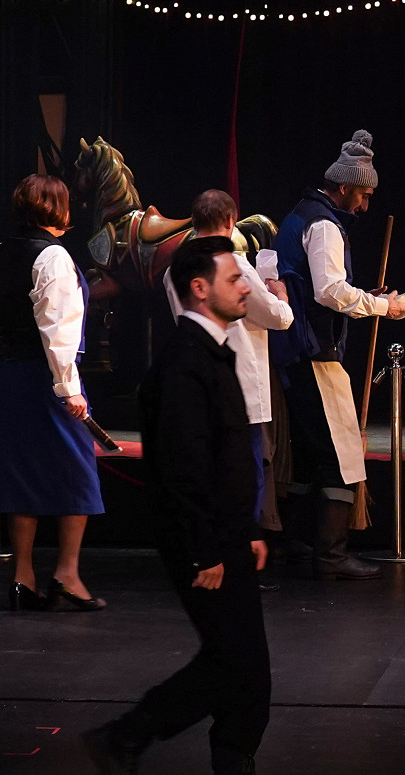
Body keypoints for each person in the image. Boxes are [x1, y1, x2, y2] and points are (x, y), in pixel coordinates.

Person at [84, 236, 270, 774]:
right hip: (203, 542)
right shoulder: (184, 362)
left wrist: (248, 528)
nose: (245, 287)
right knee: (233, 663)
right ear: (199, 288)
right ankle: (126, 736)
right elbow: (183, 466)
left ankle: (228, 756)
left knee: (244, 665)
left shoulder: (212, 351)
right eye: (233, 278)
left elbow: (225, 455)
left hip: (225, 535)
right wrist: (205, 549)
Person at [269, 130, 405, 579]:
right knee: (339, 451)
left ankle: (293, 543)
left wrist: (367, 297)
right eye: (363, 196)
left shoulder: (300, 214)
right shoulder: (324, 225)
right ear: (346, 187)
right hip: (314, 351)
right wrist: (384, 308)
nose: (365, 206)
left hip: (297, 350)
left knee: (307, 451)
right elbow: (329, 291)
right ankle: (330, 553)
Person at [165, 190, 294, 587]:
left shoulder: (175, 267)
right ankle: (238, 554)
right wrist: (280, 295)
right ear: (230, 222)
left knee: (206, 466)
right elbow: (277, 318)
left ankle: (208, 553)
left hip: (197, 376)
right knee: (245, 470)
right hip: (239, 383)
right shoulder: (232, 265)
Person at [0, 174, 106, 612]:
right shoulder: (53, 256)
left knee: (21, 472)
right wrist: (69, 388)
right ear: (58, 209)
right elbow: (57, 327)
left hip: (10, 376)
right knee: (79, 470)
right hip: (45, 378)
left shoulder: (6, 249)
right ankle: (67, 574)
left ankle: (22, 577)